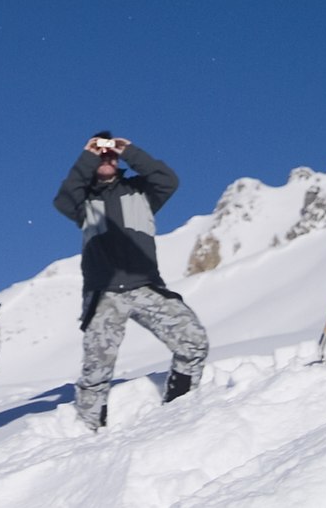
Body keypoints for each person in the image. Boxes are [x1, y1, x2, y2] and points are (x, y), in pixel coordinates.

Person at [53, 131, 209, 432]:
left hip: (145, 285)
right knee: (97, 369)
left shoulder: (140, 192)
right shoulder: (84, 201)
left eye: (111, 154)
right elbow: (63, 199)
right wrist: (88, 155)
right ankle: (88, 433)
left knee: (193, 341)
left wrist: (130, 151)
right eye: (101, 154)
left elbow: (168, 180)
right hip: (104, 294)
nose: (106, 157)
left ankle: (179, 411)